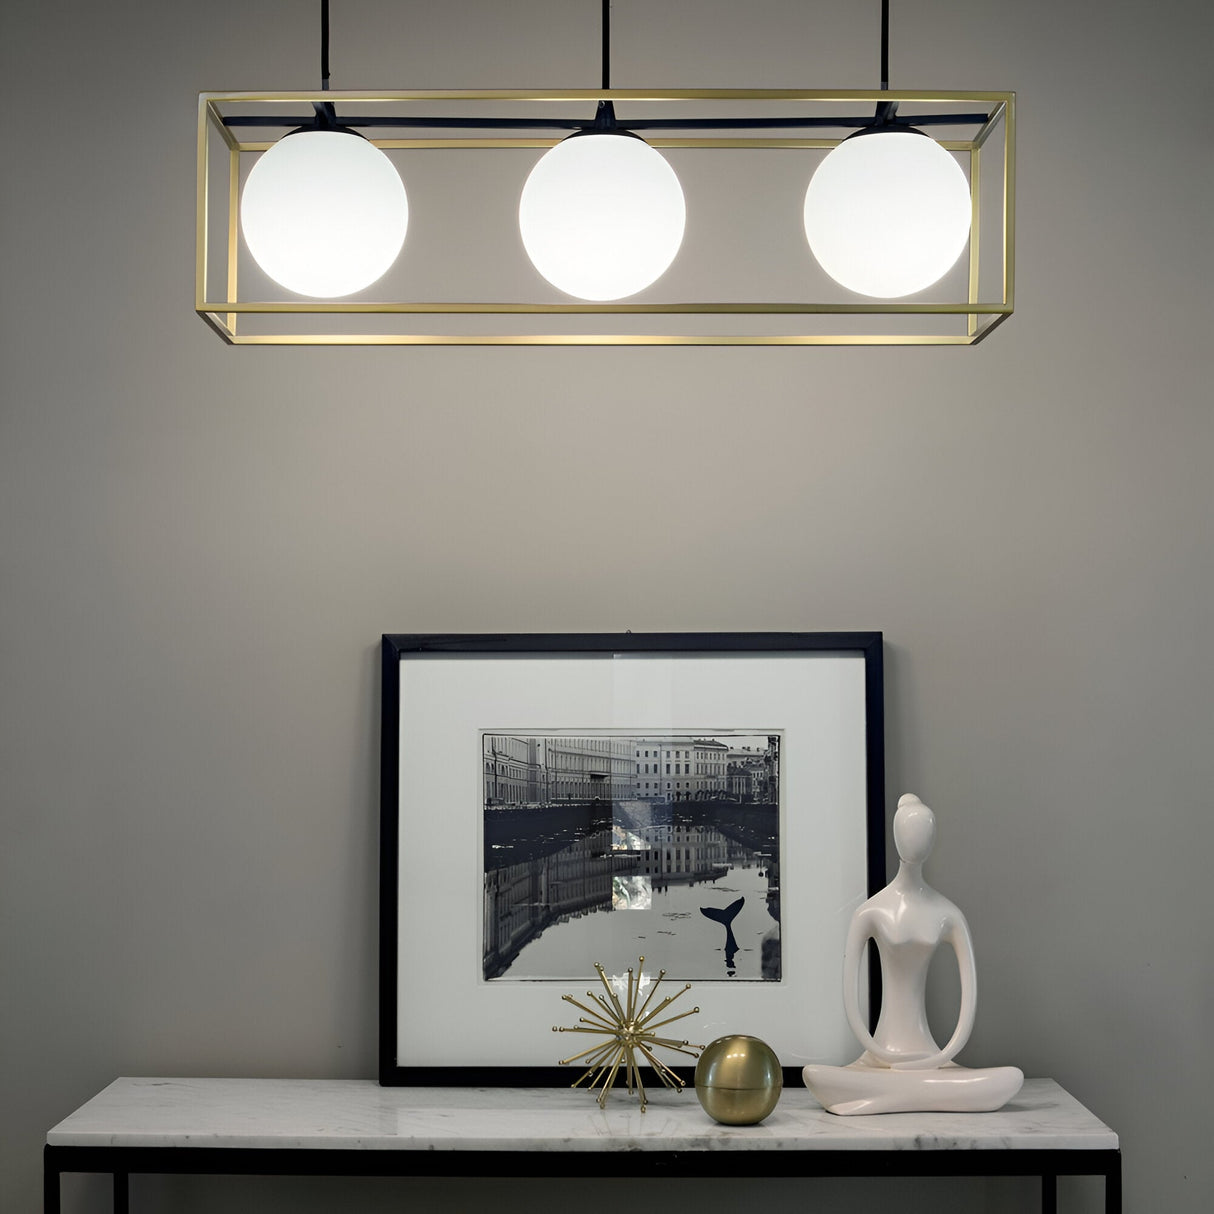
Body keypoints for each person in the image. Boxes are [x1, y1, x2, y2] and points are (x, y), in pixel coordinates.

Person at [802, 795, 1023, 1114]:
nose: (916, 841)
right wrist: (880, 1052)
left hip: (932, 1060)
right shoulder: (870, 911)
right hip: (878, 1060)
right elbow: (850, 999)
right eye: (909, 832)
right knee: (816, 1076)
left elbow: (969, 1003)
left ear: (933, 840)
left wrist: (940, 1057)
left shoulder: (949, 914)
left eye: (923, 833)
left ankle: (891, 1098)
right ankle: (916, 1096)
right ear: (895, 837)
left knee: (1009, 1079)